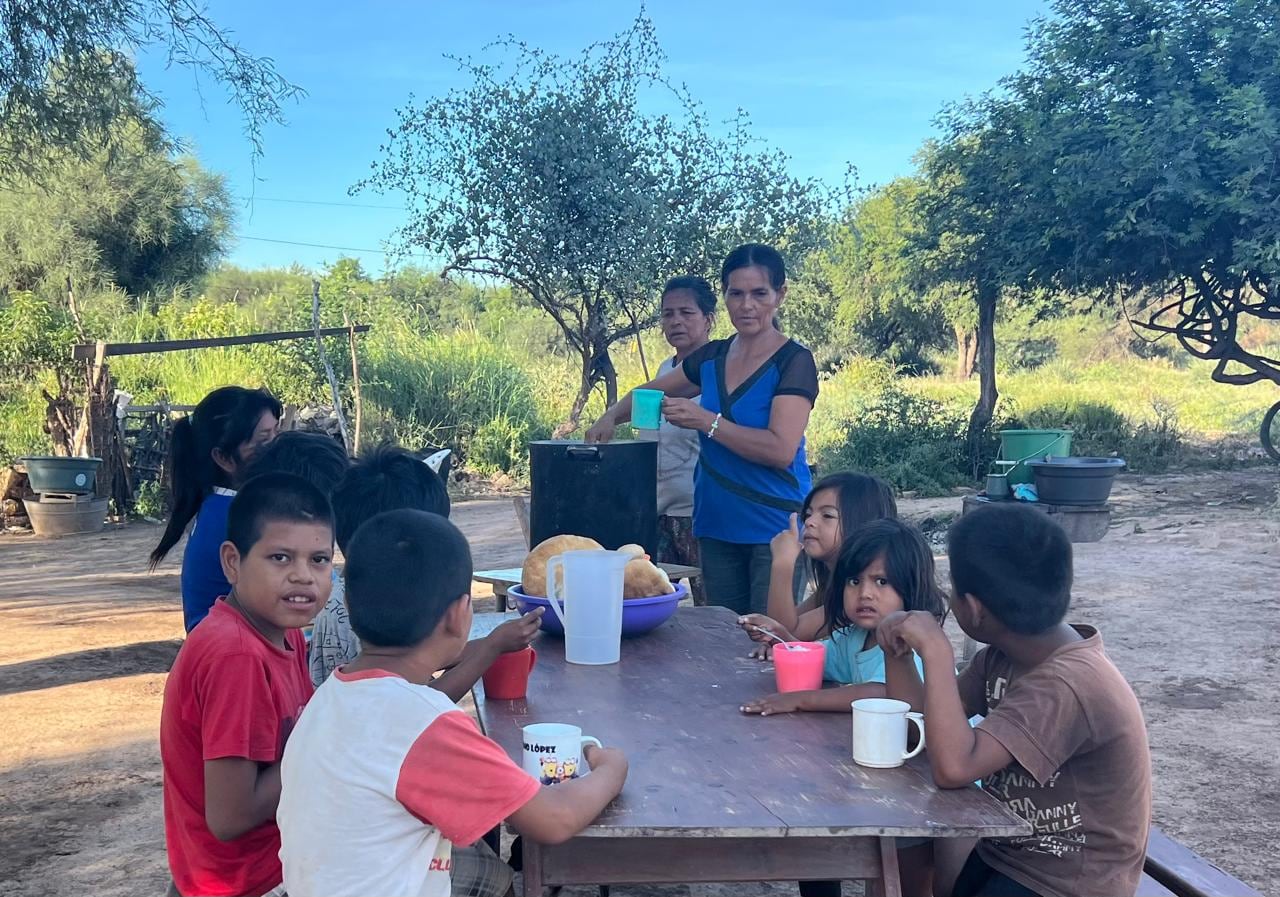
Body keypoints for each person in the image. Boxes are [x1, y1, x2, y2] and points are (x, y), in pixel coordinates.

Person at [277, 509, 629, 897]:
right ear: (459, 616)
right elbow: (554, 819)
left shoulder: (331, 696)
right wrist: (611, 768)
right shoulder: (425, 723)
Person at [876, 504, 1152, 897]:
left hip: (1068, 880)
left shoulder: (1067, 684)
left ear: (974, 609)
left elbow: (954, 767)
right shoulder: (1004, 656)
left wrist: (936, 652)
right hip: (1010, 852)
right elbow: (921, 721)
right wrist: (897, 651)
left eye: (954, 590)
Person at [587, 244, 819, 615]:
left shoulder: (794, 361)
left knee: (768, 640)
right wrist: (611, 416)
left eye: (759, 293)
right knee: (724, 639)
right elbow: (650, 392)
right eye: (736, 293)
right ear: (724, 296)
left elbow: (780, 450)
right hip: (715, 522)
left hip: (774, 527)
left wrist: (706, 422)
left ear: (780, 295)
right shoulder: (713, 357)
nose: (747, 305)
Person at [160, 473, 333, 897]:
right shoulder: (236, 657)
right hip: (248, 881)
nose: (303, 577)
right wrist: (327, 740)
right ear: (232, 562)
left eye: (319, 559)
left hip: (269, 855)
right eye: (280, 558)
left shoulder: (282, 629)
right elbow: (230, 817)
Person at [309, 443, 542, 687]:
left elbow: (419, 658)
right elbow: (416, 707)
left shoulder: (358, 593)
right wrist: (490, 649)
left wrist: (495, 642)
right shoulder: (367, 607)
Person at [737, 518, 945, 716]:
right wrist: (779, 636)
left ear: (910, 587)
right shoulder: (853, 637)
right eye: (854, 581)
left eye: (881, 581)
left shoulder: (916, 642)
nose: (865, 594)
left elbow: (882, 692)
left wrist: (800, 700)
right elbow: (815, 662)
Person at [149, 386, 282, 632]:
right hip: (231, 653)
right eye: (264, 440)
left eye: (277, 432)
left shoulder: (220, 505)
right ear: (224, 458)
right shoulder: (241, 515)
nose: (279, 448)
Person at [746, 472, 897, 657]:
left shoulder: (859, 592)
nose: (809, 522)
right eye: (808, 514)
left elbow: (784, 633)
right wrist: (775, 638)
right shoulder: (832, 585)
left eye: (827, 515)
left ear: (861, 524)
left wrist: (782, 564)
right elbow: (781, 631)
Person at [654, 275, 716, 606]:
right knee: (657, 603)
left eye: (686, 312)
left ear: (708, 319)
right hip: (659, 510)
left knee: (711, 608)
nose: (676, 321)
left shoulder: (721, 369)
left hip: (698, 511)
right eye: (668, 313)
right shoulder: (666, 369)